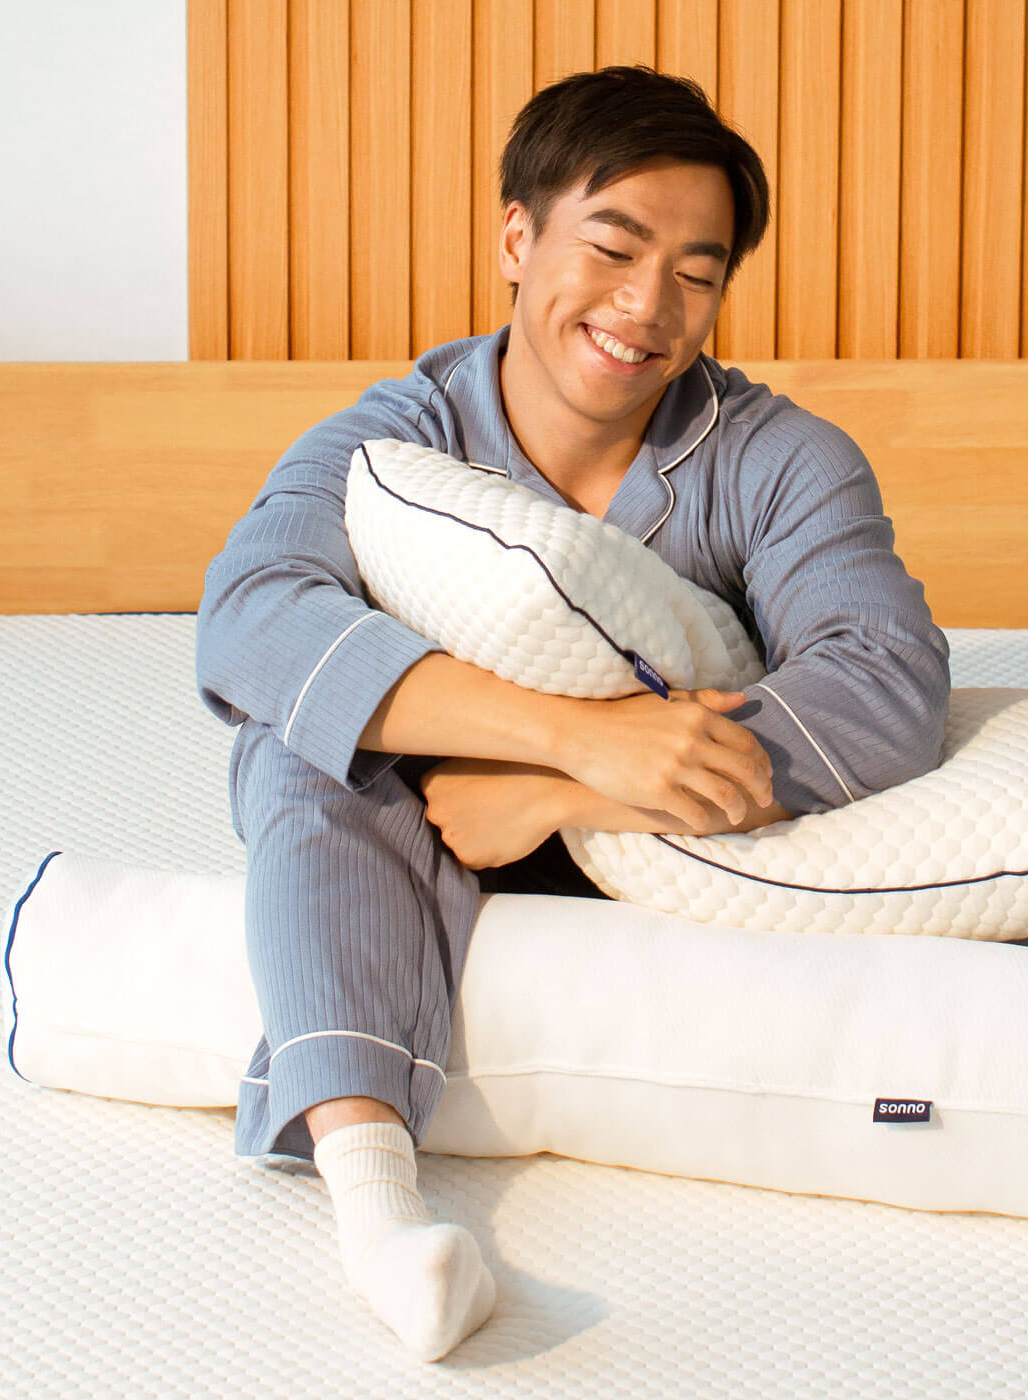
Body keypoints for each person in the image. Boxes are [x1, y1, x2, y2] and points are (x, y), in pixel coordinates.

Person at [194, 65, 951, 1362]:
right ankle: (380, 1214)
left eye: (696, 273)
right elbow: (250, 612)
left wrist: (566, 796)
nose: (648, 306)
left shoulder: (778, 461)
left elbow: (887, 675)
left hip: (668, 838)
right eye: (612, 247)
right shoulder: (396, 445)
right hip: (432, 817)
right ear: (515, 237)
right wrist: (565, 732)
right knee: (301, 749)